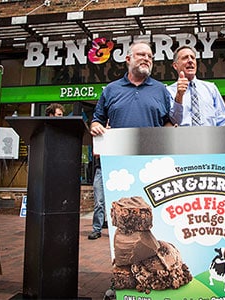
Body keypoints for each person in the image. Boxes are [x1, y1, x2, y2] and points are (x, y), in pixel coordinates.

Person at [88, 41, 181, 240]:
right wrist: (95, 126)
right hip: (119, 168)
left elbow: (167, 123)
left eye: (149, 56)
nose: (146, 59)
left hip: (152, 166)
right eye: (141, 54)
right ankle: (125, 262)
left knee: (152, 216)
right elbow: (97, 119)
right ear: (128, 59)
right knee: (124, 220)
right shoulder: (111, 90)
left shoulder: (161, 90)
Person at [167, 45, 225, 127]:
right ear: (175, 65)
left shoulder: (211, 88)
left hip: (210, 137)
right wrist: (179, 95)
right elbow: (173, 121)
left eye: (193, 58)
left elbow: (224, 119)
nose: (190, 60)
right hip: (183, 138)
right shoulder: (168, 91)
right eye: (185, 58)